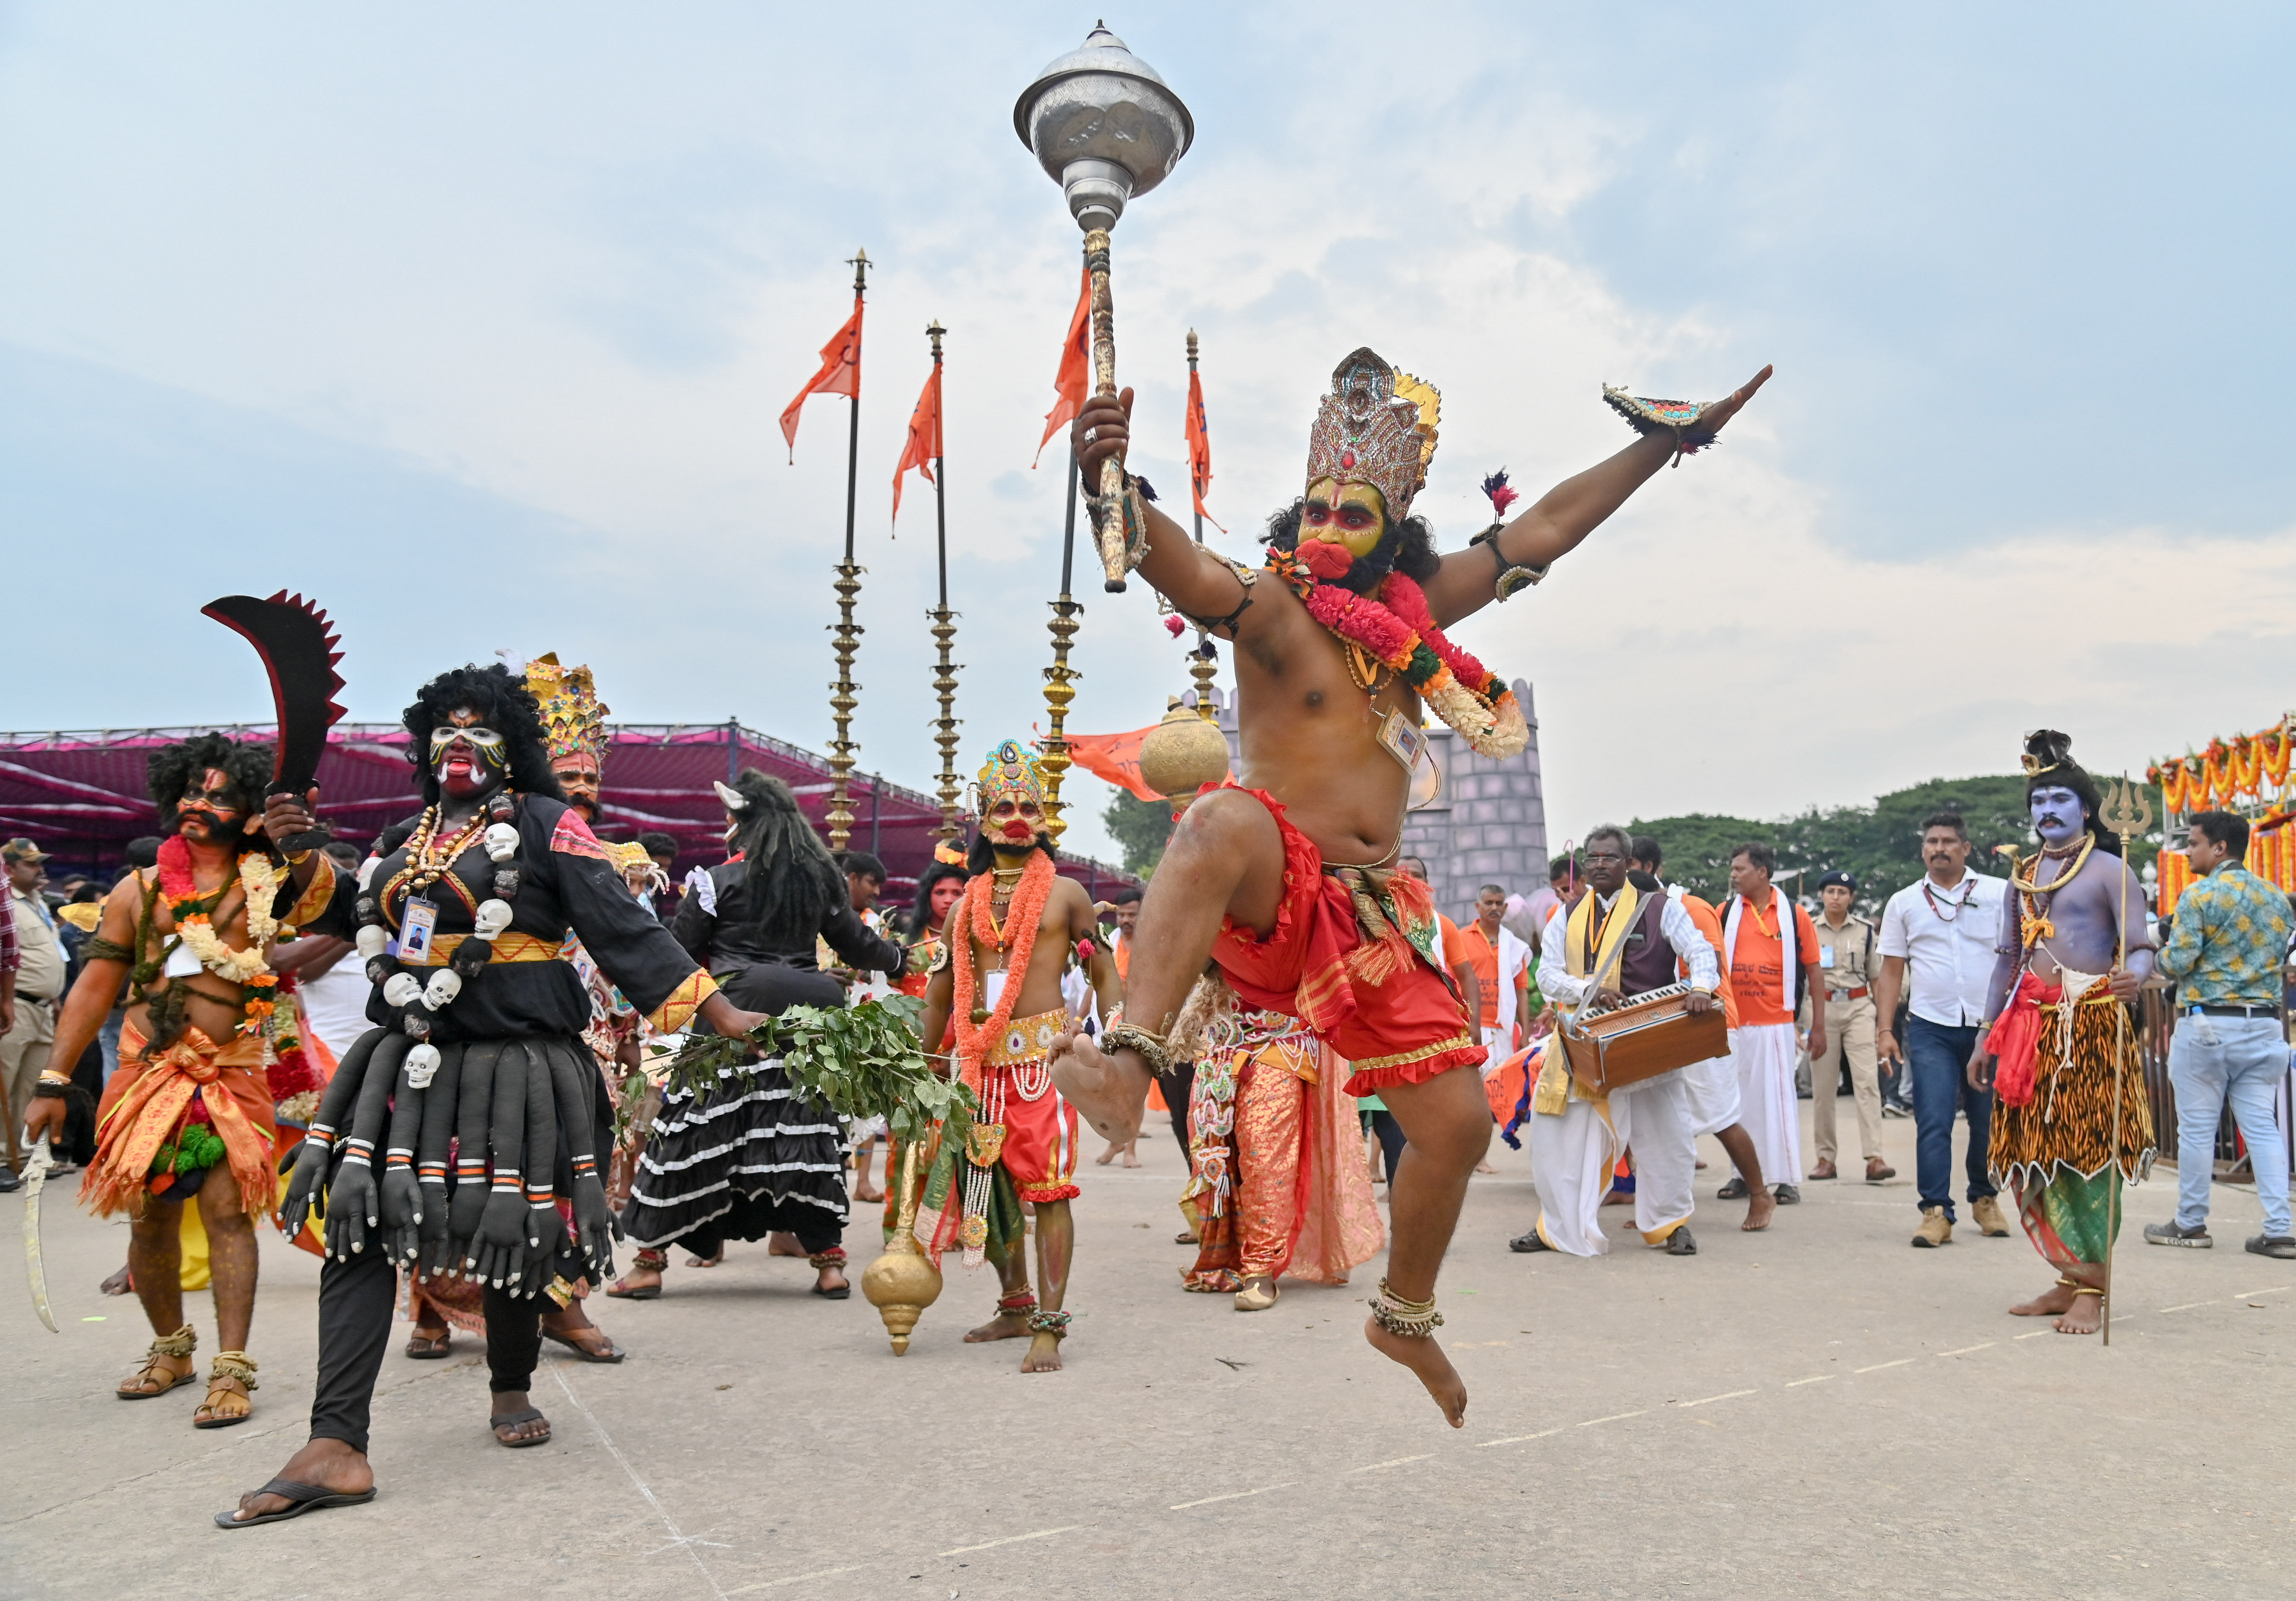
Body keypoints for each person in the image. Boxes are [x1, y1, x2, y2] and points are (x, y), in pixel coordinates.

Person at [1052, 348, 1769, 1424]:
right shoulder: (1267, 610)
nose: (1329, 530)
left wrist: (1662, 443)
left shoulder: (1416, 621)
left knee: (1456, 1127)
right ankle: (1125, 1065)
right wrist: (1110, 483)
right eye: (1317, 511)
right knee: (1216, 815)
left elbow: (1541, 535)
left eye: (1355, 513)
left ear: (1391, 534)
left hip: (1370, 912)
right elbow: (1183, 571)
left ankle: (1403, 1311)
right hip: (1269, 883)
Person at [216, 665, 765, 1527]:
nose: (460, 743)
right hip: (407, 1057)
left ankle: (510, 1386)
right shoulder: (408, 836)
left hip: (522, 1066)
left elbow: (622, 927)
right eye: (445, 727)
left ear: (512, 748)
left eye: (479, 728)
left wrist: (722, 1012)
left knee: (510, 1231)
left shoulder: (551, 825)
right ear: (423, 744)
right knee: (360, 1233)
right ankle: (337, 1443)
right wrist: (298, 852)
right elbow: (338, 917)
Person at [22, 742, 338, 1431]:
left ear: (250, 812)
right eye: (191, 792)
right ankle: (172, 1351)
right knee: (150, 1215)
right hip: (148, 1071)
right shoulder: (139, 889)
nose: (199, 804)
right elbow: (96, 984)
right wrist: (53, 1077)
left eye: (220, 796)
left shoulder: (269, 880)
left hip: (233, 1069)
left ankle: (232, 1366)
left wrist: (299, 836)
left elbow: (326, 896)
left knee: (228, 1212)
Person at [607, 770, 904, 1302]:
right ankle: (830, 1263)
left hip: (736, 1010)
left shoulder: (716, 880)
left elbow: (677, 952)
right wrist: (904, 958)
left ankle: (649, 1264)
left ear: (740, 824)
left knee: (692, 1130)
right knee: (805, 1132)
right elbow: (861, 947)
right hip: (813, 1012)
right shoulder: (820, 881)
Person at [913, 740, 1121, 1373]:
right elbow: (943, 988)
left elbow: (1106, 969)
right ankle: (1015, 1304)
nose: (1017, 815)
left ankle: (1050, 1328)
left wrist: (1112, 1037)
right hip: (979, 1065)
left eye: (1029, 803)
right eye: (1003, 805)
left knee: (1050, 1193)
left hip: (1043, 1064)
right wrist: (922, 1061)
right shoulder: (966, 905)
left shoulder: (1066, 895)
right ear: (982, 818)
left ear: (1047, 817)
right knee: (992, 1190)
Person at [1969, 732, 2155, 1335]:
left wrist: (2137, 980)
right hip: (2028, 1031)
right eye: (2038, 801)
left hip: (2095, 1029)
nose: (2047, 811)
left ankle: (2092, 1291)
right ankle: (2067, 1278)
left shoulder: (2109, 870)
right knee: (2035, 1156)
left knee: (2088, 1155)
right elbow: (2007, 960)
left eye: (2059, 800)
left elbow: (2143, 947)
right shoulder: (2021, 876)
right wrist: (1985, 1033)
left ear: (2085, 809)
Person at [1512, 826, 1720, 1256]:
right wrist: (1590, 988)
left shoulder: (1662, 908)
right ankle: (1556, 1227)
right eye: (1593, 858)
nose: (1600, 864)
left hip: (1646, 1039)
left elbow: (1701, 952)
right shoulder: (1566, 915)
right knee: (1557, 1139)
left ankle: (1671, 1224)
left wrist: (1701, 987)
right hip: (1583, 1043)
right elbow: (1547, 975)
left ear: (1628, 864)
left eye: (1609, 857)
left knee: (1668, 1139)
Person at [1175, 981, 1384, 1309]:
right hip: (1217, 1044)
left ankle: (1260, 1269)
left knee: (1264, 1160)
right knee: (1214, 1159)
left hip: (1280, 1042)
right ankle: (1227, 1256)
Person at [2145, 809, 2294, 1257]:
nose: (2188, 851)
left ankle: (2190, 1223)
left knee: (2196, 1130)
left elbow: (2177, 962)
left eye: (2193, 844)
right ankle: (2281, 1228)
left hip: (2208, 1024)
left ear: (2219, 848)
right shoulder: (2278, 899)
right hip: (2265, 1026)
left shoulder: (2200, 896)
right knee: (2264, 1130)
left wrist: (2156, 954)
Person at [1873, 812, 2012, 1247]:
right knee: (1932, 1119)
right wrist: (1885, 1029)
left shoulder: (1997, 893)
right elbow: (1891, 970)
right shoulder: (1904, 902)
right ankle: (1936, 1211)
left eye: (1949, 841)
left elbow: (2016, 955)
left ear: (1966, 849)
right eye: (1931, 842)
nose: (1939, 849)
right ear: (1923, 850)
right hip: (1931, 1026)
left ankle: (1985, 1196)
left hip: (1987, 1028)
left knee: (1986, 1120)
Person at [1625, 835, 1774, 1230]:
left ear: (1645, 867)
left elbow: (1710, 969)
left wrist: (1692, 994)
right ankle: (1657, 1210)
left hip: (1709, 1029)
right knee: (1652, 1123)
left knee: (1721, 1117)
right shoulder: (1626, 911)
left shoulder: (1691, 909)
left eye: (1624, 866)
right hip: (1659, 1031)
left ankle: (1760, 1195)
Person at [1722, 843, 1820, 1207]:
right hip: (1734, 1023)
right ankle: (1741, 1176)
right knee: (1737, 1105)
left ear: (1762, 872)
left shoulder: (1795, 915)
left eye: (1740, 869)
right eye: (1732, 869)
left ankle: (1785, 1179)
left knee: (1778, 1105)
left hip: (1776, 1023)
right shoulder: (1726, 912)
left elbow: (1813, 970)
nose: (1733, 875)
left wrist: (1818, 1026)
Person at [1806, 869, 1892, 1183]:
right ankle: (1825, 1158)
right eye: (1830, 891)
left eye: (1843, 892)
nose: (1836, 897)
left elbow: (1877, 978)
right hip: (1822, 1009)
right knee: (1824, 1088)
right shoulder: (1809, 929)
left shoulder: (1867, 931)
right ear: (1822, 895)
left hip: (1858, 1008)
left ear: (1852, 898)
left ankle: (1875, 1158)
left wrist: (1883, 1024)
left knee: (1867, 1083)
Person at [4, 837, 68, 1174]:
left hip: (44, 1007)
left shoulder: (38, 901)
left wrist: (56, 998)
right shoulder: (5, 902)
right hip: (14, 1005)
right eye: (31, 864)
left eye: (40, 862)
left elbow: (51, 955)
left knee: (33, 1087)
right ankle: (2, 1157)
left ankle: (25, 1156)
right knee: (5, 1083)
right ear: (9, 869)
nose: (40, 868)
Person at [522, 652, 607, 825]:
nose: (583, 790)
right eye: (569, 778)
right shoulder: (509, 849)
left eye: (591, 780)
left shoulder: (630, 854)